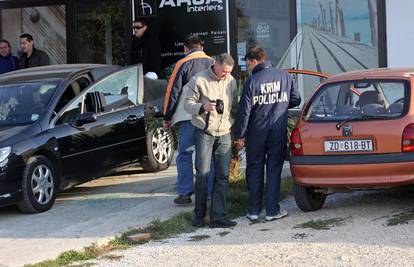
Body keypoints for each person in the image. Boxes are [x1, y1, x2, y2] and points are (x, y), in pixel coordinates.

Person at [233, 47, 301, 222]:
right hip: (277, 130)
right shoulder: (285, 76)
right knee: (274, 169)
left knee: (255, 169)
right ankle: (272, 210)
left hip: (256, 132)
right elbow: (296, 99)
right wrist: (280, 105)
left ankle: (254, 211)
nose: (248, 68)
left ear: (255, 61)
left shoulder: (252, 82)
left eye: (248, 64)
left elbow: (244, 111)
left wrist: (240, 135)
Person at [184, 53, 238, 228]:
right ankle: (199, 216)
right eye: (224, 71)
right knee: (202, 174)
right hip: (204, 132)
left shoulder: (232, 81)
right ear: (216, 65)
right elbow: (187, 104)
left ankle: (218, 217)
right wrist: (202, 107)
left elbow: (234, 107)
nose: (226, 75)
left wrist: (236, 129)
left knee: (222, 176)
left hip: (224, 133)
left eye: (229, 72)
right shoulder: (198, 79)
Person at [163, 35, 214, 205]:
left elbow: (173, 91)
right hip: (211, 117)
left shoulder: (183, 63)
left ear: (185, 49)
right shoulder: (214, 62)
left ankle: (185, 194)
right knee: (210, 155)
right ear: (201, 46)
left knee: (185, 154)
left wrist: (167, 116)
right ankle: (211, 194)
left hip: (189, 117)